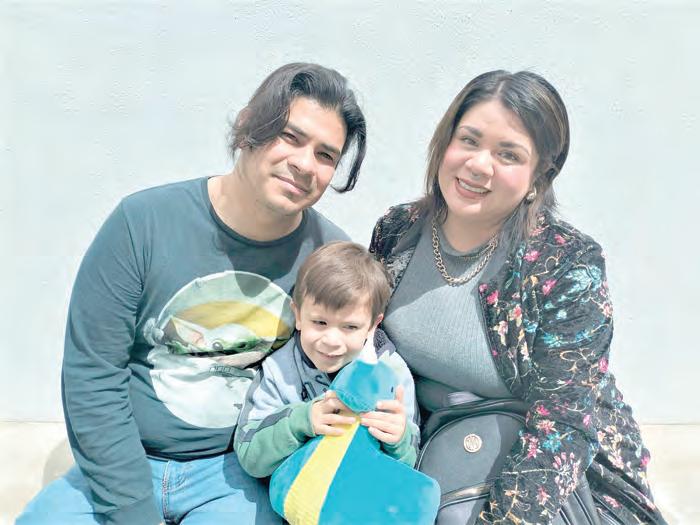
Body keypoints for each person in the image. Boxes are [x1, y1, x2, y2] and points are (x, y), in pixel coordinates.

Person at [17, 62, 367, 525]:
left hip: (237, 473)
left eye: (326, 155)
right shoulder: (142, 224)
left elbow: (352, 366)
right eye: (290, 136)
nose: (304, 164)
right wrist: (131, 511)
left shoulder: (328, 258)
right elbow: (93, 375)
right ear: (249, 126)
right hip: (126, 461)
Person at [369, 70, 666, 524]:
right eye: (469, 140)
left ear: (538, 177)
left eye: (508, 154)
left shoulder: (566, 264)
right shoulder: (397, 232)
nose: (479, 164)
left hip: (548, 478)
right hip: (422, 455)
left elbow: (561, 426)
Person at [234, 241, 419, 479]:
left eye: (350, 327)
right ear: (298, 315)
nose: (331, 340)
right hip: (298, 487)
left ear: (373, 325)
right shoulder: (279, 370)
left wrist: (399, 440)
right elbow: (249, 454)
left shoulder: (391, 372)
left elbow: (410, 461)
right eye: (320, 322)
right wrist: (301, 421)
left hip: (360, 486)